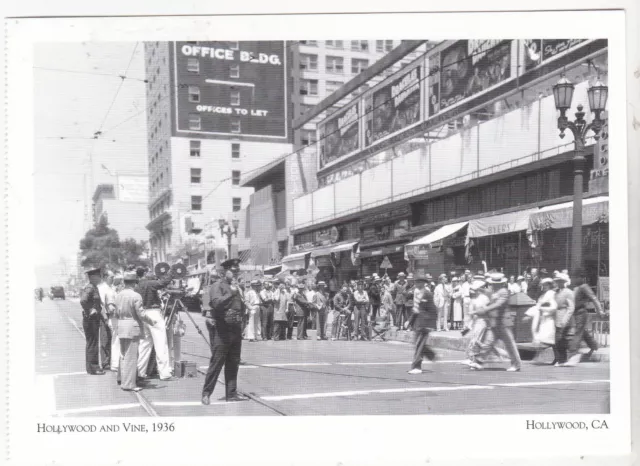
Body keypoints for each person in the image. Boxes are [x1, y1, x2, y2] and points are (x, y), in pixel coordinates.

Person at [202, 259, 249, 405]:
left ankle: (231, 393)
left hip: (235, 328)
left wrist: (243, 318)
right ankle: (206, 393)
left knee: (233, 362)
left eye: (237, 271)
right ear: (225, 272)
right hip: (222, 329)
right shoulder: (218, 286)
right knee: (216, 362)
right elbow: (216, 303)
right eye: (233, 271)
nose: (235, 274)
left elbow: (240, 306)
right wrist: (231, 293)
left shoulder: (236, 287)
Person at [136, 269, 177, 381]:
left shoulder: (138, 285)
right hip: (153, 313)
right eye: (149, 271)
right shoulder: (149, 283)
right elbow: (162, 283)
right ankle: (164, 373)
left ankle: (140, 372)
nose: (152, 273)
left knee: (144, 345)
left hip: (143, 315)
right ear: (144, 274)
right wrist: (172, 272)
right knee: (161, 343)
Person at [478, 273, 522, 372]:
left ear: (501, 283)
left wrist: (485, 309)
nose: (492, 284)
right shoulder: (495, 291)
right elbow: (490, 298)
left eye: (494, 283)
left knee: (509, 344)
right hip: (496, 321)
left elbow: (498, 304)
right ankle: (479, 361)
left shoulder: (504, 291)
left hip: (504, 322)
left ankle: (516, 364)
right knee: (489, 341)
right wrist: (481, 291)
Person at [114, 271, 145, 392]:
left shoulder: (119, 295)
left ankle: (122, 378)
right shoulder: (136, 296)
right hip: (132, 327)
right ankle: (129, 384)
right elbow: (140, 314)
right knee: (131, 357)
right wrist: (151, 320)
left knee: (123, 355)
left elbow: (116, 313)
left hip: (121, 326)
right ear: (134, 283)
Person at [566, 270, 606, 365]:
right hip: (575, 313)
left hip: (581, 313)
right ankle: (594, 346)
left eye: (575, 277)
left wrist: (600, 310)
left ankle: (573, 353)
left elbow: (593, 298)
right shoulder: (576, 287)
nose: (573, 279)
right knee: (583, 332)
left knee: (578, 332)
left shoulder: (584, 287)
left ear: (581, 277)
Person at [406, 274, 437, 374]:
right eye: (416, 282)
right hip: (417, 322)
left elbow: (433, 310)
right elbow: (415, 309)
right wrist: (410, 321)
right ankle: (431, 355)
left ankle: (416, 366)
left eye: (419, 282)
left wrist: (432, 325)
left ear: (424, 283)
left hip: (425, 323)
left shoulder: (428, 294)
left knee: (419, 344)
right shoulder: (416, 292)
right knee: (418, 343)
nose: (417, 284)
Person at [79, 267, 106, 375]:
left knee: (92, 343)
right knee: (93, 343)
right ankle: (93, 368)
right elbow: (83, 300)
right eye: (98, 276)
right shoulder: (90, 288)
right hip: (91, 319)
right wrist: (90, 310)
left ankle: (91, 368)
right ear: (93, 277)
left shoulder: (93, 287)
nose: (100, 278)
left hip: (92, 319)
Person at [524, 277, 557, 354]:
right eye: (543, 285)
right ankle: (555, 358)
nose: (544, 287)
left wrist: (543, 309)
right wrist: (529, 314)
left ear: (549, 285)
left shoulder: (552, 294)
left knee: (551, 339)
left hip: (549, 319)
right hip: (542, 319)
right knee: (545, 339)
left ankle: (558, 358)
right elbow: (537, 306)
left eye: (546, 285)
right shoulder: (542, 296)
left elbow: (554, 307)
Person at [552, 273, 576, 366]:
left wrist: (565, 319)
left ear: (564, 282)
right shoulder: (556, 292)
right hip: (557, 317)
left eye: (560, 281)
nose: (558, 283)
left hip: (564, 317)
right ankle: (561, 359)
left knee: (561, 340)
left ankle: (563, 359)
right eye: (557, 281)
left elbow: (571, 307)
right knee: (558, 340)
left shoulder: (568, 292)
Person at [97, 270, 117, 371]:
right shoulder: (102, 288)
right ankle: (105, 362)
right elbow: (101, 304)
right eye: (111, 277)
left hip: (113, 315)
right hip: (105, 314)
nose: (112, 279)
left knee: (112, 338)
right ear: (105, 277)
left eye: (113, 277)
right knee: (105, 339)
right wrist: (104, 316)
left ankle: (111, 360)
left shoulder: (113, 288)